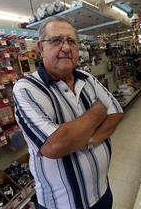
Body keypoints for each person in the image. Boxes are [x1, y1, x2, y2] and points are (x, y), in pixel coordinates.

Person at [13, 16, 124, 209]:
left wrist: (89, 142)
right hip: (62, 204)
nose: (66, 47)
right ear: (41, 48)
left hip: (102, 192)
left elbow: (116, 114)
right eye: (56, 40)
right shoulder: (27, 89)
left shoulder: (87, 78)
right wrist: (97, 112)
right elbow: (55, 145)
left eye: (72, 41)